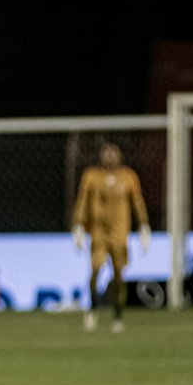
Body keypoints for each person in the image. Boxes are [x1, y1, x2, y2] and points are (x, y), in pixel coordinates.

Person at [72, 142, 150, 333]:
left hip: (119, 232)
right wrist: (78, 225)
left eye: (112, 153)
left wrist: (144, 225)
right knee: (96, 269)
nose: (109, 157)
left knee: (118, 274)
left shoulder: (129, 177)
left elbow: (137, 202)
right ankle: (92, 309)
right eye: (106, 154)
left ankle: (118, 315)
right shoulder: (91, 176)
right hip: (98, 231)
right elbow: (82, 200)